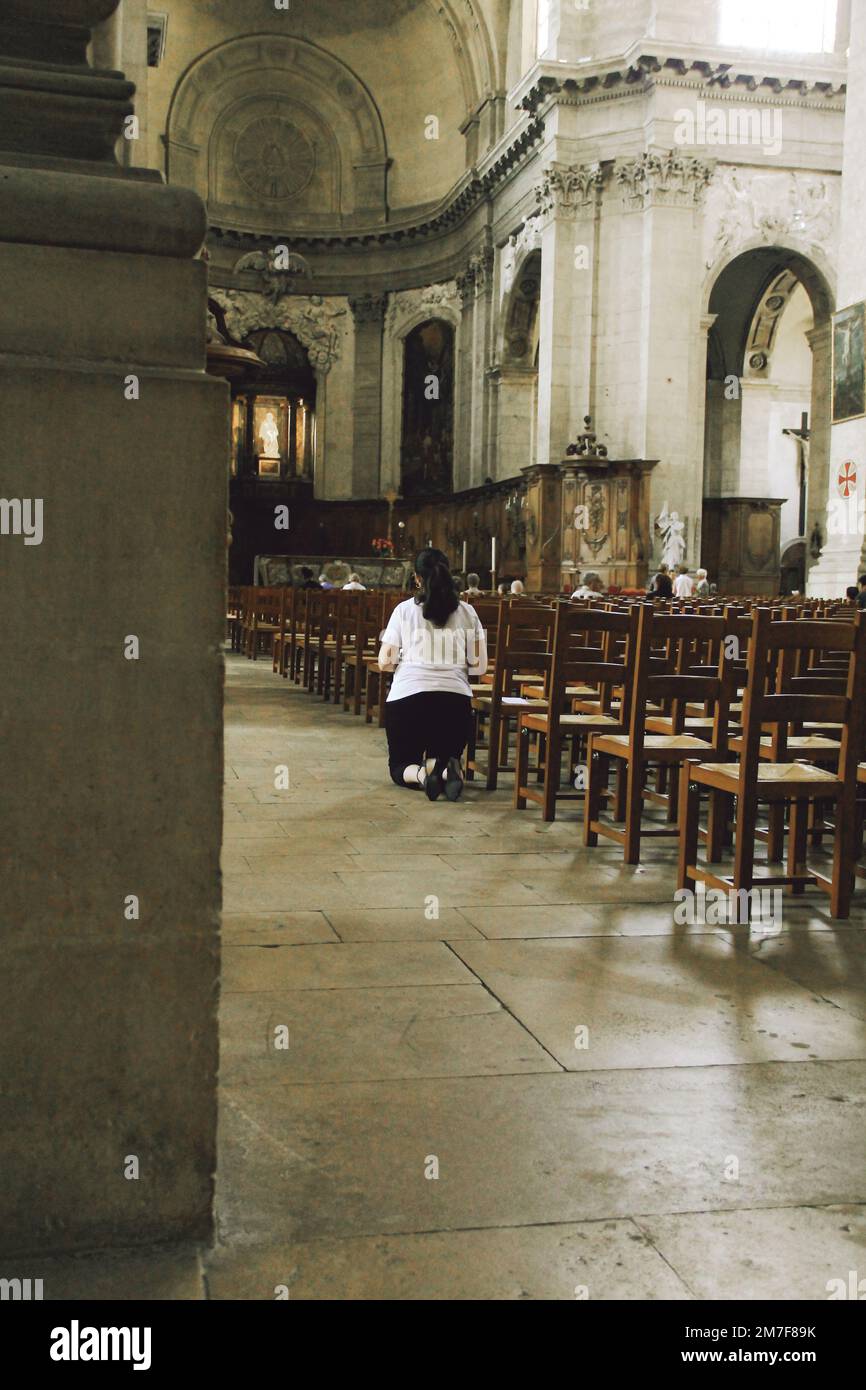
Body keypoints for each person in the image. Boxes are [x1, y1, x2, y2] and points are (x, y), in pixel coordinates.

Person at [378, 548, 487, 801]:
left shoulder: (404, 610)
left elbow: (385, 663)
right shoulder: (468, 612)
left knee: (400, 766)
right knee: (443, 755)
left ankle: (422, 776)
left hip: (408, 702)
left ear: (417, 578)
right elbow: (480, 667)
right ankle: (447, 769)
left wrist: (404, 661)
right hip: (454, 704)